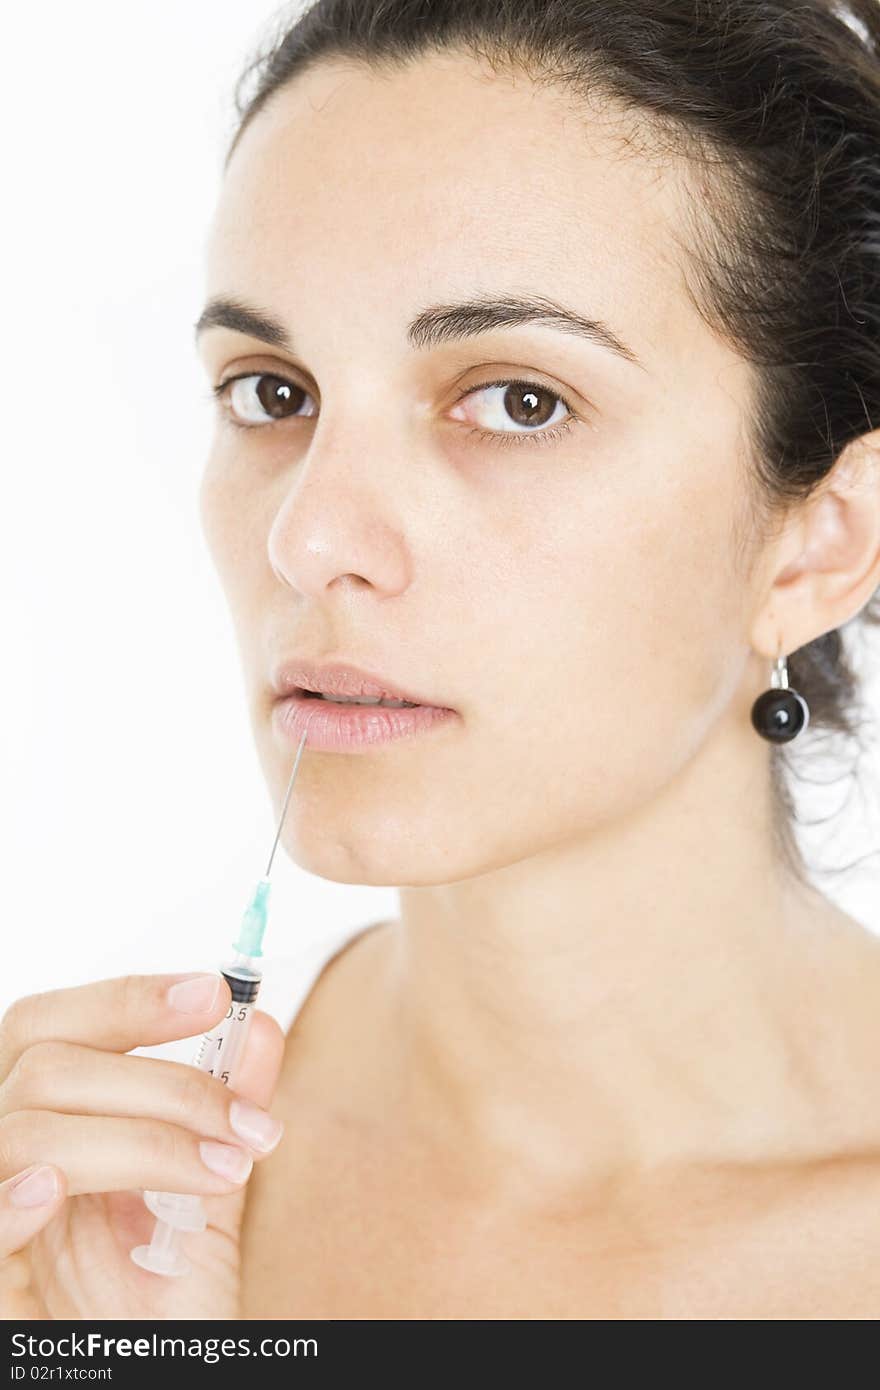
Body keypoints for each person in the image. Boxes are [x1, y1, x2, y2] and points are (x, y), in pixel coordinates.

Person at [4, 0, 880, 1320]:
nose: (308, 536)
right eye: (272, 391)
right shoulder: (113, 1207)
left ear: (818, 547)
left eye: (518, 400)